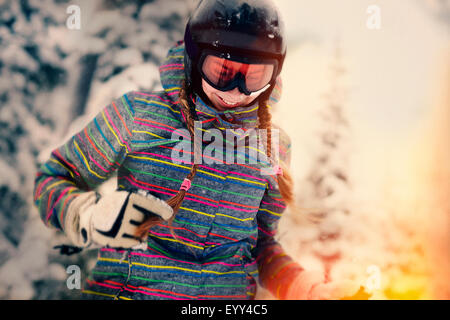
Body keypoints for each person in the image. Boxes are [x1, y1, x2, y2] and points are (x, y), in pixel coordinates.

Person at [33, 0, 359, 300]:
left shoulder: (273, 146)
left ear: (273, 77)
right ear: (194, 59)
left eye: (254, 76)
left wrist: (304, 287)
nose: (235, 92)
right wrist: (87, 215)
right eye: (222, 72)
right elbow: (53, 179)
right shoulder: (139, 115)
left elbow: (261, 246)